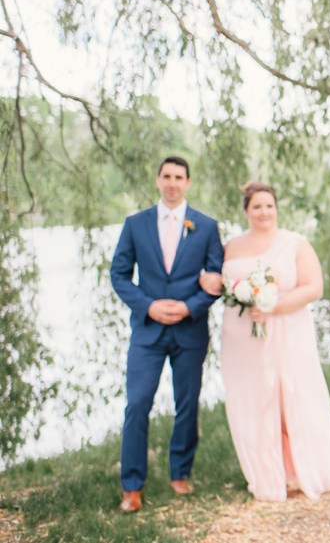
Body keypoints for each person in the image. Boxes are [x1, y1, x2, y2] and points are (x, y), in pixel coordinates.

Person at [200, 182, 330, 501]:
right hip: (241, 337)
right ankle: (266, 474)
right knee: (252, 400)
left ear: (276, 208)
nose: (264, 212)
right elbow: (218, 280)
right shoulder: (231, 246)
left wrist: (272, 306)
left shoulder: (294, 243)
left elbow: (313, 288)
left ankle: (305, 469)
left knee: (295, 395)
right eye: (257, 207)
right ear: (246, 211)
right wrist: (207, 279)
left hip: (288, 330)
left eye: (269, 206)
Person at [110, 156, 224, 512]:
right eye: (167, 176)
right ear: (158, 180)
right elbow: (119, 274)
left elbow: (216, 277)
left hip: (190, 331)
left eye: (179, 177)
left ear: (188, 182)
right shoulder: (135, 223)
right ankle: (132, 486)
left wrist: (190, 306)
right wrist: (148, 306)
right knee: (138, 403)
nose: (172, 182)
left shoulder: (205, 226)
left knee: (187, 405)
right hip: (148, 332)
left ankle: (180, 473)